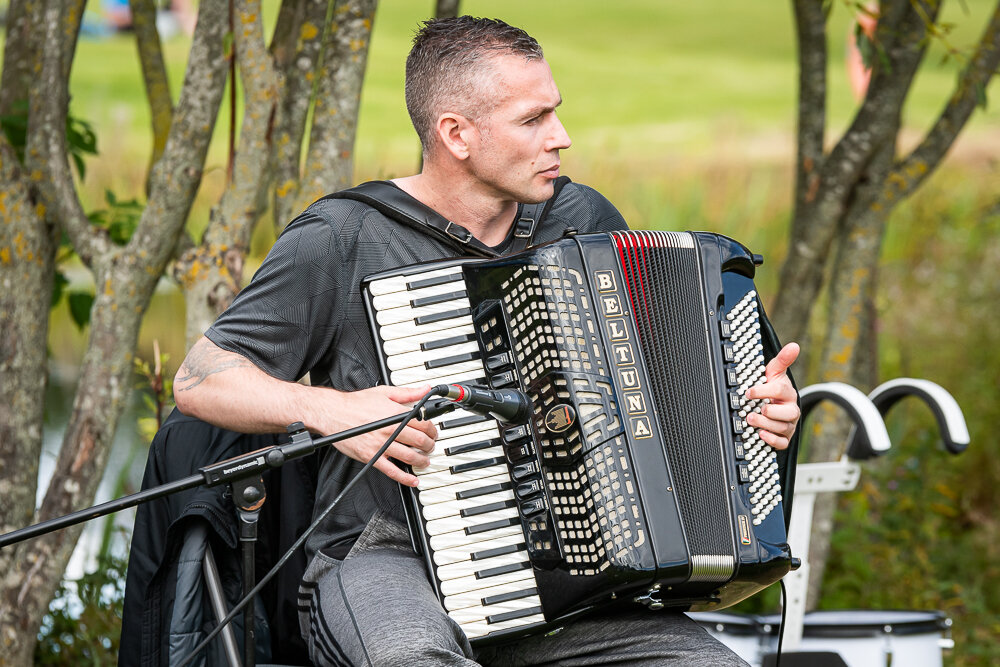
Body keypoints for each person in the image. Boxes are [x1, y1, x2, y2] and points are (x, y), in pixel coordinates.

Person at [174, 16, 801, 666]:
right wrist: (331, 410)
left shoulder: (579, 221)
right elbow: (198, 378)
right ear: (456, 134)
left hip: (574, 581)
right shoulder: (344, 237)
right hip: (386, 558)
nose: (561, 137)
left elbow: (656, 395)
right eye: (533, 120)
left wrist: (751, 411)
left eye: (555, 113)